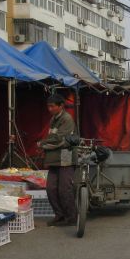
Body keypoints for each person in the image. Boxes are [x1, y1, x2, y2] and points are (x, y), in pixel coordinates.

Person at [39, 94, 77, 226]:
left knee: (64, 189)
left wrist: (42, 143)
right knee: (50, 188)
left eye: (52, 106)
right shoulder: (53, 119)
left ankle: (71, 217)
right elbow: (53, 137)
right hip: (53, 158)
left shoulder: (67, 119)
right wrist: (44, 144)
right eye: (48, 106)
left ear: (61, 106)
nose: (49, 109)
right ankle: (59, 215)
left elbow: (58, 139)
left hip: (66, 156)